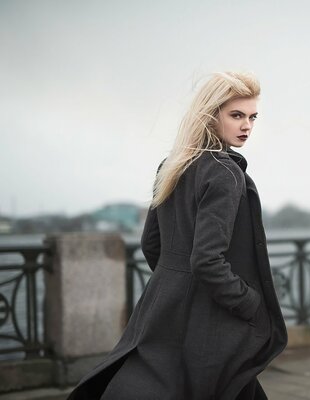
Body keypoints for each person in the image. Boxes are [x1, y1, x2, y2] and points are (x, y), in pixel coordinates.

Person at [67, 71, 288, 400]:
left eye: (252, 117)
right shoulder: (226, 173)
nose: (247, 126)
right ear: (211, 116)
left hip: (164, 308)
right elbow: (207, 260)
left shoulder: (172, 164)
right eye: (236, 115)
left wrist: (178, 287)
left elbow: (151, 245)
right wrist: (249, 303)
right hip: (210, 318)